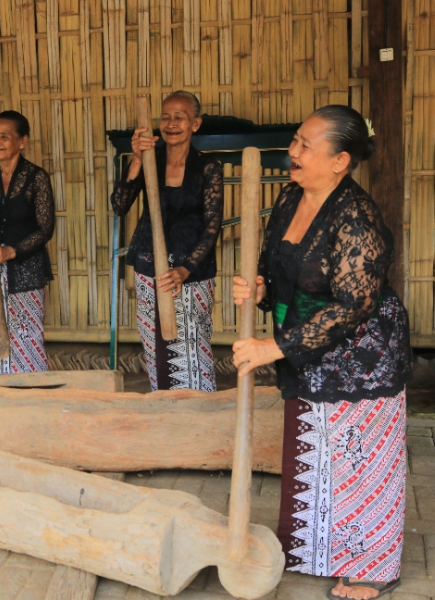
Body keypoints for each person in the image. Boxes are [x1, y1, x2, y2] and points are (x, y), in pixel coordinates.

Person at [232, 105, 412, 599]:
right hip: (310, 351)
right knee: (322, 454)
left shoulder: (357, 217)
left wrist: (275, 345)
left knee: (359, 463)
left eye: (306, 145)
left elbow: (354, 305)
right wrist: (261, 288)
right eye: (295, 140)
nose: (293, 152)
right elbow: (283, 266)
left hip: (361, 357)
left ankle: (373, 568)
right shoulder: (291, 196)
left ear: (340, 161)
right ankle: (321, 552)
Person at [111, 91, 223, 391]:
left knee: (192, 343)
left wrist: (185, 270)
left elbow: (212, 227)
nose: (171, 123)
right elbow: (119, 205)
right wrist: (136, 159)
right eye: (166, 117)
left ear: (195, 124)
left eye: (180, 117)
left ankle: (199, 411)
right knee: (156, 344)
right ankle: (165, 407)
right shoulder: (150, 160)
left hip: (192, 272)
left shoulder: (208, 167)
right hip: (150, 265)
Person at [0, 110, 54, 375]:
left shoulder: (36, 177)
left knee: (27, 336)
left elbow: (45, 228)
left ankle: (30, 397)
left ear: (22, 141)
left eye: (5, 136)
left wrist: (11, 251)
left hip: (25, 269)